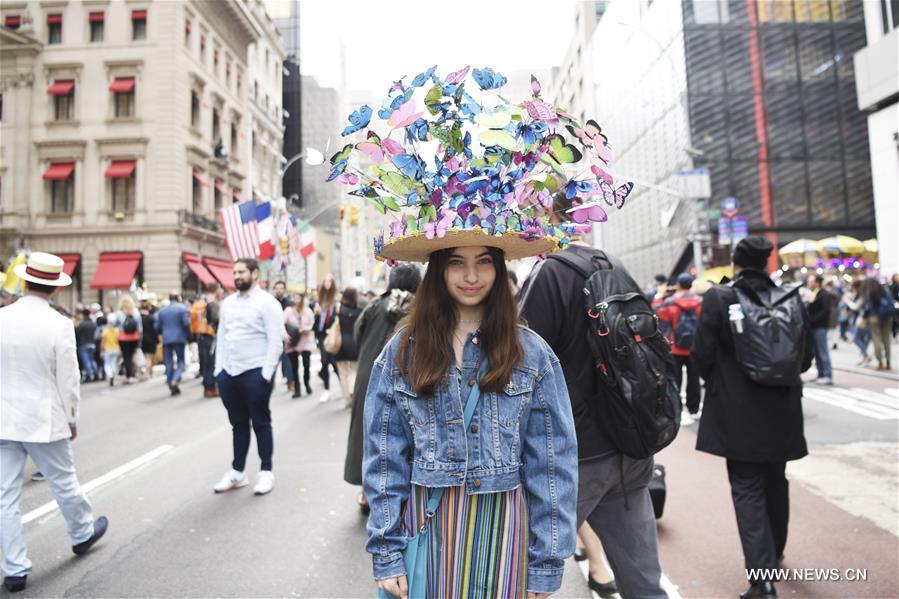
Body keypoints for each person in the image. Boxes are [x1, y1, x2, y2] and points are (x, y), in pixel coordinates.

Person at [363, 246, 577, 598]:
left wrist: (547, 560)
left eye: (484, 262)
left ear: (499, 268)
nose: (472, 276)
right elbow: (383, 457)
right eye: (457, 263)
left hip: (505, 532)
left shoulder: (532, 353)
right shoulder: (403, 351)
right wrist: (386, 551)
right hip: (428, 531)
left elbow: (552, 464)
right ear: (438, 271)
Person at [520, 191, 667, 599]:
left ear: (547, 212)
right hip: (630, 445)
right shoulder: (611, 264)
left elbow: (520, 361)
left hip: (578, 454)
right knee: (644, 581)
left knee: (523, 576)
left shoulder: (550, 273)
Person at [691, 236, 813, 598]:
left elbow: (702, 355)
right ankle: (773, 556)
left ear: (737, 262)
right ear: (767, 262)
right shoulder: (791, 299)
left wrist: (719, 381)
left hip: (737, 409)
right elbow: (803, 359)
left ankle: (762, 581)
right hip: (783, 409)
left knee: (747, 489)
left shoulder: (721, 297)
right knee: (777, 481)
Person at [0, 252, 109, 593]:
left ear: (26, 281)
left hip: (3, 417)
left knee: (4, 496)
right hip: (43, 417)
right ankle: (81, 532)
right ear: (55, 289)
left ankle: (14, 568)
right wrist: (72, 416)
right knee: (63, 482)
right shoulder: (59, 324)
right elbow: (68, 379)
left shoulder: (1, 317)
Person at [344, 264, 421, 515]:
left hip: (369, 373)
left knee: (366, 433)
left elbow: (358, 335)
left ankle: (366, 491)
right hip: (405, 376)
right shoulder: (420, 308)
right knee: (402, 435)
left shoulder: (375, 305)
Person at [212, 258, 284, 496]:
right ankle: (237, 472)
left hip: (255, 372)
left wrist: (265, 375)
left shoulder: (268, 303)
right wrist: (218, 372)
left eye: (241, 272)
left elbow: (275, 341)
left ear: (255, 273)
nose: (236, 276)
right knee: (238, 425)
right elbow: (222, 337)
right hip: (229, 374)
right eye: (234, 272)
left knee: (261, 423)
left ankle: (266, 471)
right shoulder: (228, 303)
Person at [656, 272, 703, 415]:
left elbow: (658, 315)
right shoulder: (700, 301)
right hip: (694, 346)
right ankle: (694, 408)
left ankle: (677, 408)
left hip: (675, 347)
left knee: (675, 379)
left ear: (679, 285)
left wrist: (659, 297)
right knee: (694, 379)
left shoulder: (670, 301)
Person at [154, 293, 190, 395]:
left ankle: (171, 383)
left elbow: (157, 327)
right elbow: (186, 323)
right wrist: (188, 335)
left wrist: (163, 333)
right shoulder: (182, 308)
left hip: (166, 339)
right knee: (181, 362)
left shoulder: (162, 311)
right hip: (179, 338)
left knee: (168, 363)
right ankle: (175, 380)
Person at [333, 287, 361, 408]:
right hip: (354, 343)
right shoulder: (359, 310)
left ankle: (347, 399)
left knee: (343, 373)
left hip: (340, 343)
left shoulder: (338, 309)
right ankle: (353, 392)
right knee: (354, 371)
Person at [191, 283, 222, 397]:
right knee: (211, 362)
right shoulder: (212, 302)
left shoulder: (200, 302)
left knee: (205, 362)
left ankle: (207, 387)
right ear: (216, 290)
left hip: (200, 335)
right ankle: (211, 388)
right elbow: (216, 318)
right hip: (210, 334)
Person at [283, 292, 315, 398]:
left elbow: (312, 325)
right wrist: (286, 336)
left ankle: (307, 383)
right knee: (294, 367)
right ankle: (297, 389)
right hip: (292, 342)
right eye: (294, 297)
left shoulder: (307, 311)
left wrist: (304, 329)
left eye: (298, 298)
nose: (296, 300)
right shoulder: (288, 311)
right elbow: (281, 324)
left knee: (306, 365)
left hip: (305, 341)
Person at [313, 274, 339, 400]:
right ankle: (327, 388)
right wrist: (316, 314)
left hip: (332, 332)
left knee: (331, 361)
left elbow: (336, 316)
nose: (327, 283)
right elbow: (317, 319)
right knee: (325, 360)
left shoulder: (336, 299)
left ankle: (339, 386)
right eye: (325, 281)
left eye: (329, 281)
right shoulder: (319, 299)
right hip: (321, 333)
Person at [804, 274, 833, 385]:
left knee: (822, 351)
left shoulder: (823, 294)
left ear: (817, 282)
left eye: (811, 281)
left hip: (820, 327)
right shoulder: (814, 294)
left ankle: (827, 374)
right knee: (817, 352)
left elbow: (824, 311)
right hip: (814, 327)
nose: (809, 283)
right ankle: (821, 374)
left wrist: (812, 320)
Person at [861, 278, 893, 371]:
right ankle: (888, 362)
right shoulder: (885, 291)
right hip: (887, 317)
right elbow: (890, 303)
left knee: (876, 339)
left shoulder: (870, 293)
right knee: (886, 340)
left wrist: (864, 317)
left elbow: (867, 307)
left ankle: (880, 363)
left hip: (874, 317)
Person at [111, 295, 143, 385]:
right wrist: (140, 339)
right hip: (134, 338)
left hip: (123, 338)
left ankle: (130, 376)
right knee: (132, 356)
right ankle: (134, 374)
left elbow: (114, 325)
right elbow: (140, 328)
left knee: (126, 357)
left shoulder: (119, 313)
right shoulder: (135, 312)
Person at [271, 280, 295, 392]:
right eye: (277, 288)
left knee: (287, 359)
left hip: (286, 334)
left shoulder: (289, 302)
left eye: (281, 288)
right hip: (273, 334)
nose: (279, 290)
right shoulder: (270, 302)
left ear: (284, 290)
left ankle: (290, 382)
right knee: (274, 359)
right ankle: (270, 382)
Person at [74, 308, 99, 383]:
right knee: (92, 360)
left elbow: (77, 333)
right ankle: (96, 373)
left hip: (83, 344)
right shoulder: (93, 323)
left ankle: (88, 375)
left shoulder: (82, 324)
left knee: (86, 361)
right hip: (92, 343)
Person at [140, 302, 160, 379]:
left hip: (142, 339)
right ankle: (148, 373)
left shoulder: (139, 317)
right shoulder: (151, 318)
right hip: (151, 339)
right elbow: (156, 329)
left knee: (146, 356)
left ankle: (149, 372)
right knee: (150, 358)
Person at [99, 317, 121, 386]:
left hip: (108, 349)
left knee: (107, 364)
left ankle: (110, 375)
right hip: (116, 349)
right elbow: (119, 341)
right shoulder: (117, 331)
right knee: (114, 363)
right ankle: (113, 374)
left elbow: (103, 342)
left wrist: (101, 351)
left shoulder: (105, 331)